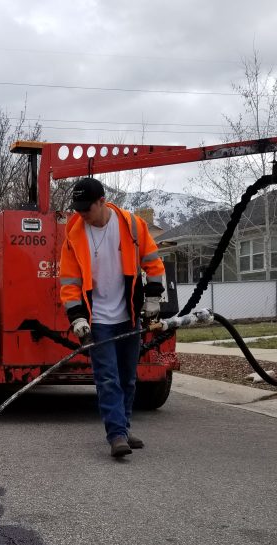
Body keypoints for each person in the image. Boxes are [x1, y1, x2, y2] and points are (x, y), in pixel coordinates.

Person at [59, 177, 166, 458]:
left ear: (101, 202)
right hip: (98, 320)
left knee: (128, 378)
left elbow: (153, 262)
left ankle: (124, 426)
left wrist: (154, 298)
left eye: (87, 209)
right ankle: (116, 434)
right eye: (78, 209)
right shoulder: (74, 234)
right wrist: (77, 317)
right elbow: (69, 282)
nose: (81, 215)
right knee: (108, 378)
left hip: (128, 315)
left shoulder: (131, 226)